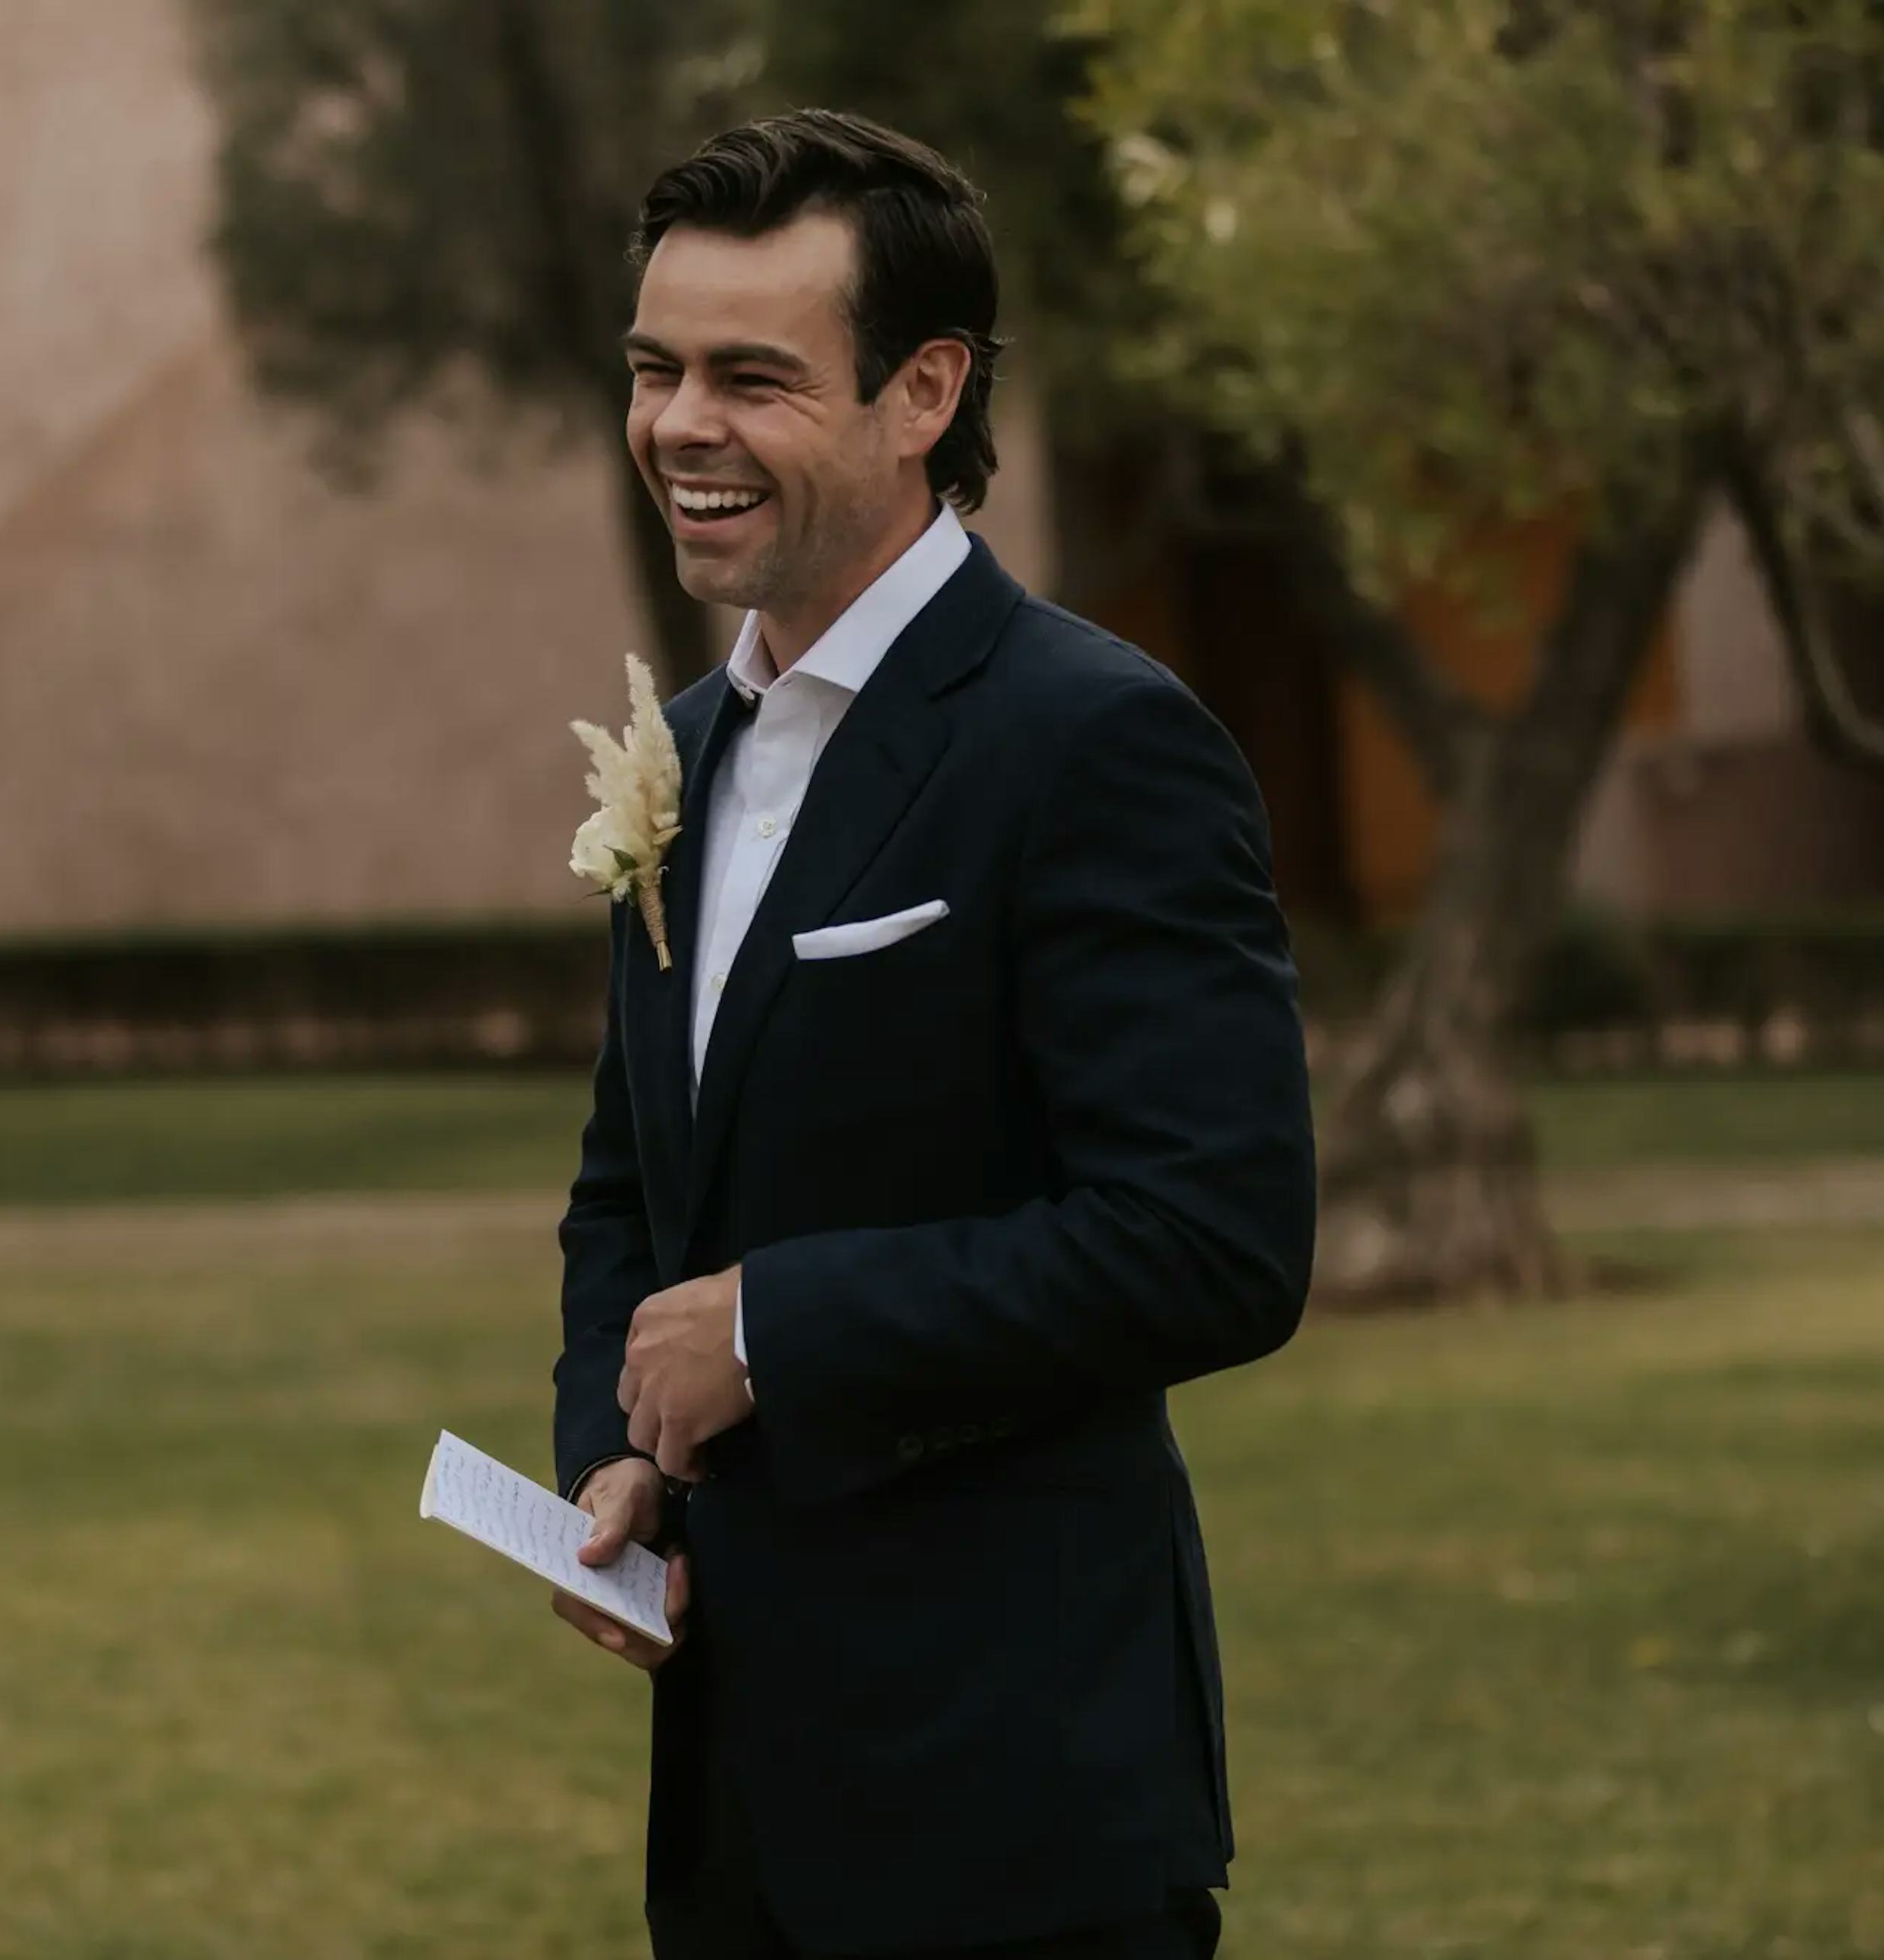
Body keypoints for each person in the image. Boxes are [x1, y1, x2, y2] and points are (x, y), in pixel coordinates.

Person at [549, 109, 1316, 1959]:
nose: (678, 426)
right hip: (737, 1809)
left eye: (751, 376)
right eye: (656, 370)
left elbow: (1215, 1242)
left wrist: (781, 1331)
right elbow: (631, 1191)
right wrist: (615, 1450)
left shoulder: (1094, 743)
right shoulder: (694, 752)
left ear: (924, 392)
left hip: (1016, 1808)